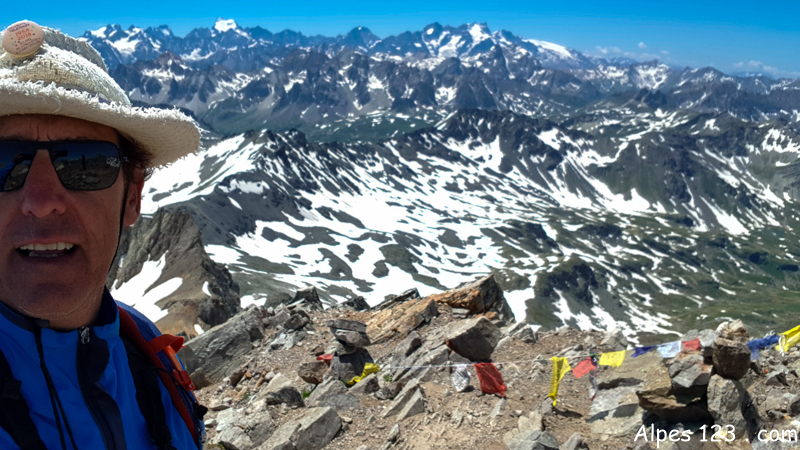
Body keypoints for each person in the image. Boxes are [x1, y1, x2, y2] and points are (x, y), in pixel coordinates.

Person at [0, 20, 205, 450]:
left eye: (84, 164)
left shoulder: (150, 353)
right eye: (4, 165)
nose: (40, 201)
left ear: (133, 196)